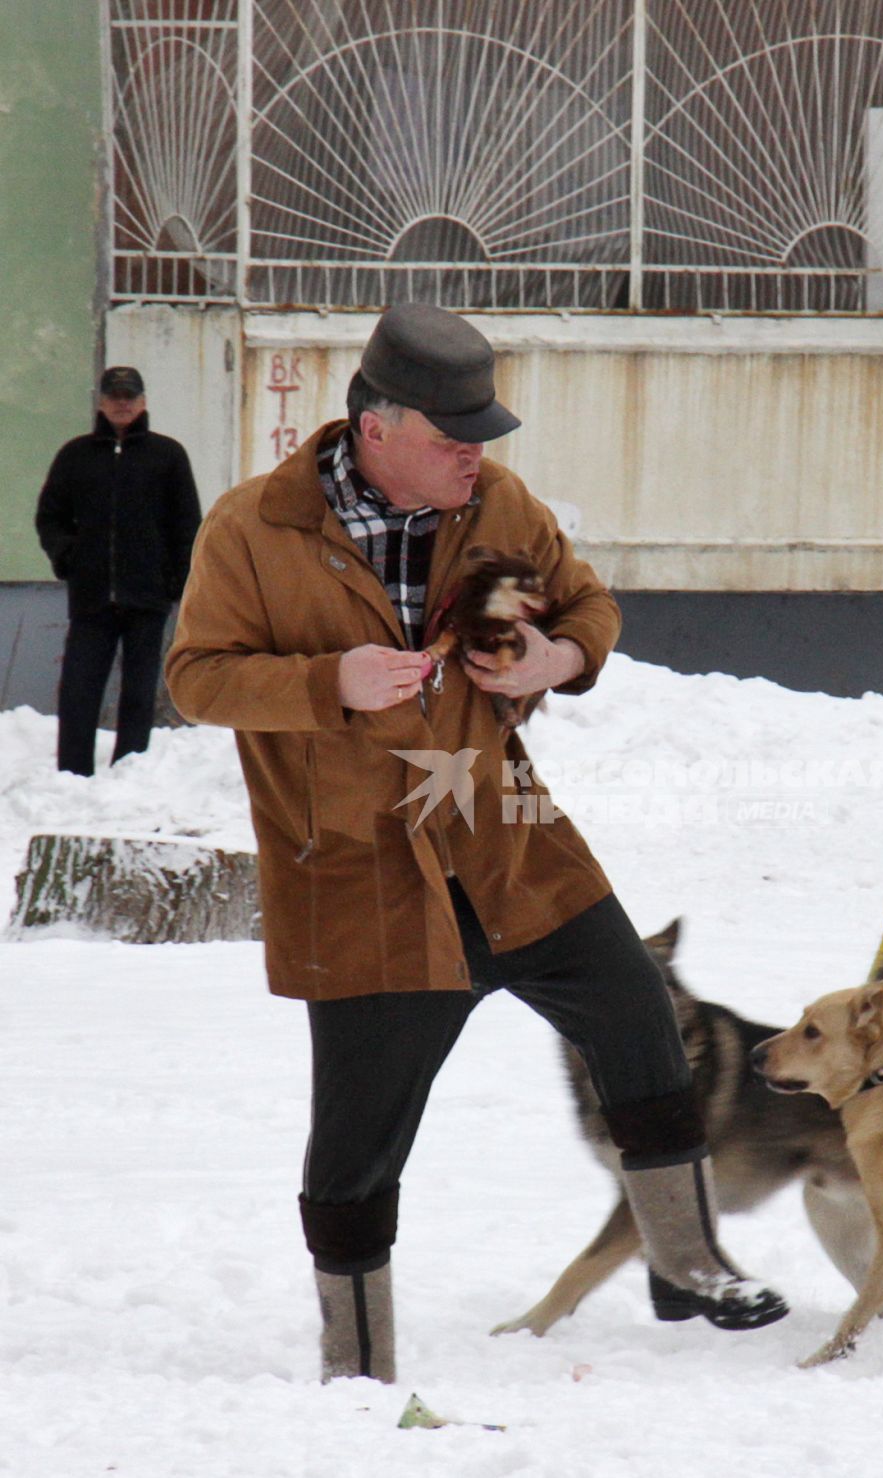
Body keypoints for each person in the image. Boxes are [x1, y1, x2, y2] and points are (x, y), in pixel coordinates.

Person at [165, 304, 786, 1383]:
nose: (478, 456)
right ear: (378, 426)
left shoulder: (496, 502)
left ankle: (684, 1263)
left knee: (639, 1013)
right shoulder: (251, 531)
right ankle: (356, 1360)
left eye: (482, 436)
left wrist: (559, 656)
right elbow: (194, 677)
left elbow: (589, 603)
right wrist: (328, 683)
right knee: (357, 1139)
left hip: (509, 850)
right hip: (361, 874)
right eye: (455, 437)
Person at [35, 366, 202, 776]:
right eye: (115, 396)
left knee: (139, 690)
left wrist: (176, 582)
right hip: (91, 597)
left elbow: (187, 525)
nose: (122, 404)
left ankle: (130, 769)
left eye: (130, 397)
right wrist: (68, 557)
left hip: (148, 597)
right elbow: (50, 517)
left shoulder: (168, 456)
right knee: (79, 688)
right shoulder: (75, 456)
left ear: (144, 402)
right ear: (101, 402)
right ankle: (72, 775)